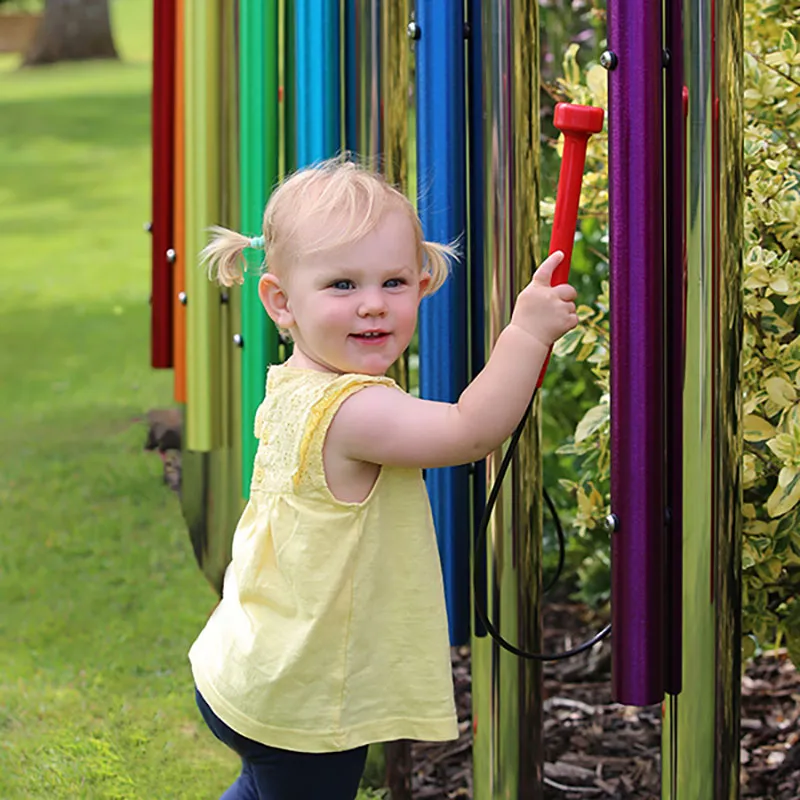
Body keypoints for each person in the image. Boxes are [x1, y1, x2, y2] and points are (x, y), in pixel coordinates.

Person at [189, 157, 578, 800]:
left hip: (256, 667)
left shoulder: (297, 384)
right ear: (280, 302)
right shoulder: (354, 410)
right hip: (304, 705)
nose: (373, 304)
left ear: (423, 283)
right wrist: (526, 332)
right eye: (342, 284)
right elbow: (469, 431)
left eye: (394, 281)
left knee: (263, 790)